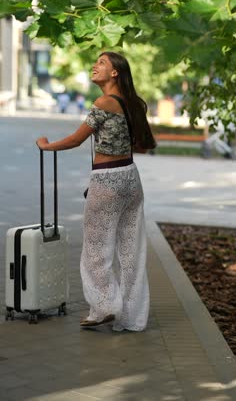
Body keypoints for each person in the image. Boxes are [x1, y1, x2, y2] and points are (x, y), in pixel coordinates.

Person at [36, 51, 156, 332]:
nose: (95, 66)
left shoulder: (104, 102)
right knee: (131, 251)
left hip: (107, 180)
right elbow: (143, 144)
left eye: (102, 63)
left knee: (95, 249)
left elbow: (76, 140)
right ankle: (131, 316)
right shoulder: (134, 103)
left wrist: (46, 145)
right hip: (130, 178)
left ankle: (104, 307)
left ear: (115, 72)